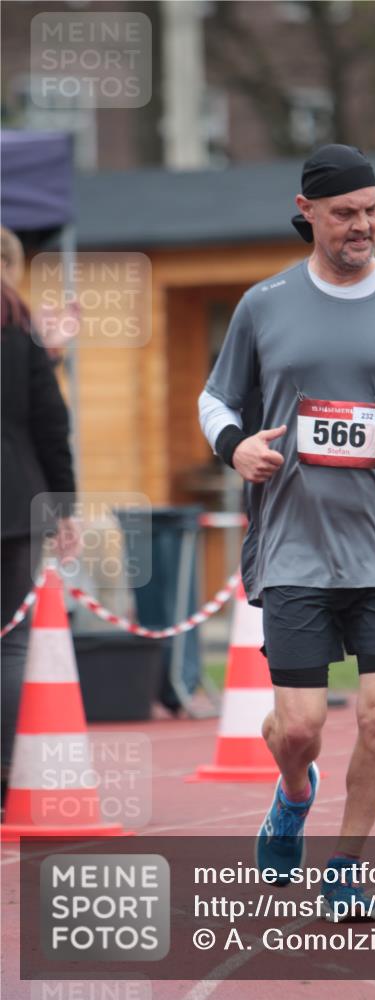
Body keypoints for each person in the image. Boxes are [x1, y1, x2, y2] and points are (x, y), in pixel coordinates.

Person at [199, 144, 375, 917]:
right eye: (346, 214)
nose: (362, 227)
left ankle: (346, 862)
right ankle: (292, 795)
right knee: (301, 730)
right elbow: (216, 402)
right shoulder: (264, 303)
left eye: (372, 212)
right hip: (294, 546)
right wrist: (237, 446)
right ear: (307, 212)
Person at [1, 227, 79, 802]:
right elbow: (52, 424)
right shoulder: (19, 332)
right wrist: (63, 507)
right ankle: (7, 771)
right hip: (17, 502)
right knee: (9, 643)